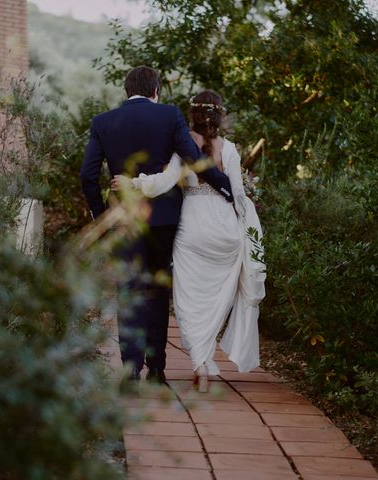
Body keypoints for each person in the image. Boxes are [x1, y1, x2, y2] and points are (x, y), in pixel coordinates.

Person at [80, 67, 234, 386]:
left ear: (127, 91)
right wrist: (227, 188)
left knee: (129, 290)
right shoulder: (169, 115)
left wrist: (100, 215)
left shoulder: (102, 122)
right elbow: (195, 160)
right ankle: (157, 369)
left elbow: (88, 175)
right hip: (163, 216)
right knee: (157, 290)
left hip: (122, 216)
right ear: (157, 90)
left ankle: (130, 371)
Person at [112, 90, 266, 392]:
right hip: (226, 232)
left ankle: (200, 365)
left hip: (193, 229)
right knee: (216, 300)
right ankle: (204, 360)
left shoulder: (182, 148)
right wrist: (247, 229)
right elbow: (237, 194)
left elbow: (162, 183)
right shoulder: (230, 150)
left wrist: (132, 182)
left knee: (191, 302)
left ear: (191, 115)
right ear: (219, 115)